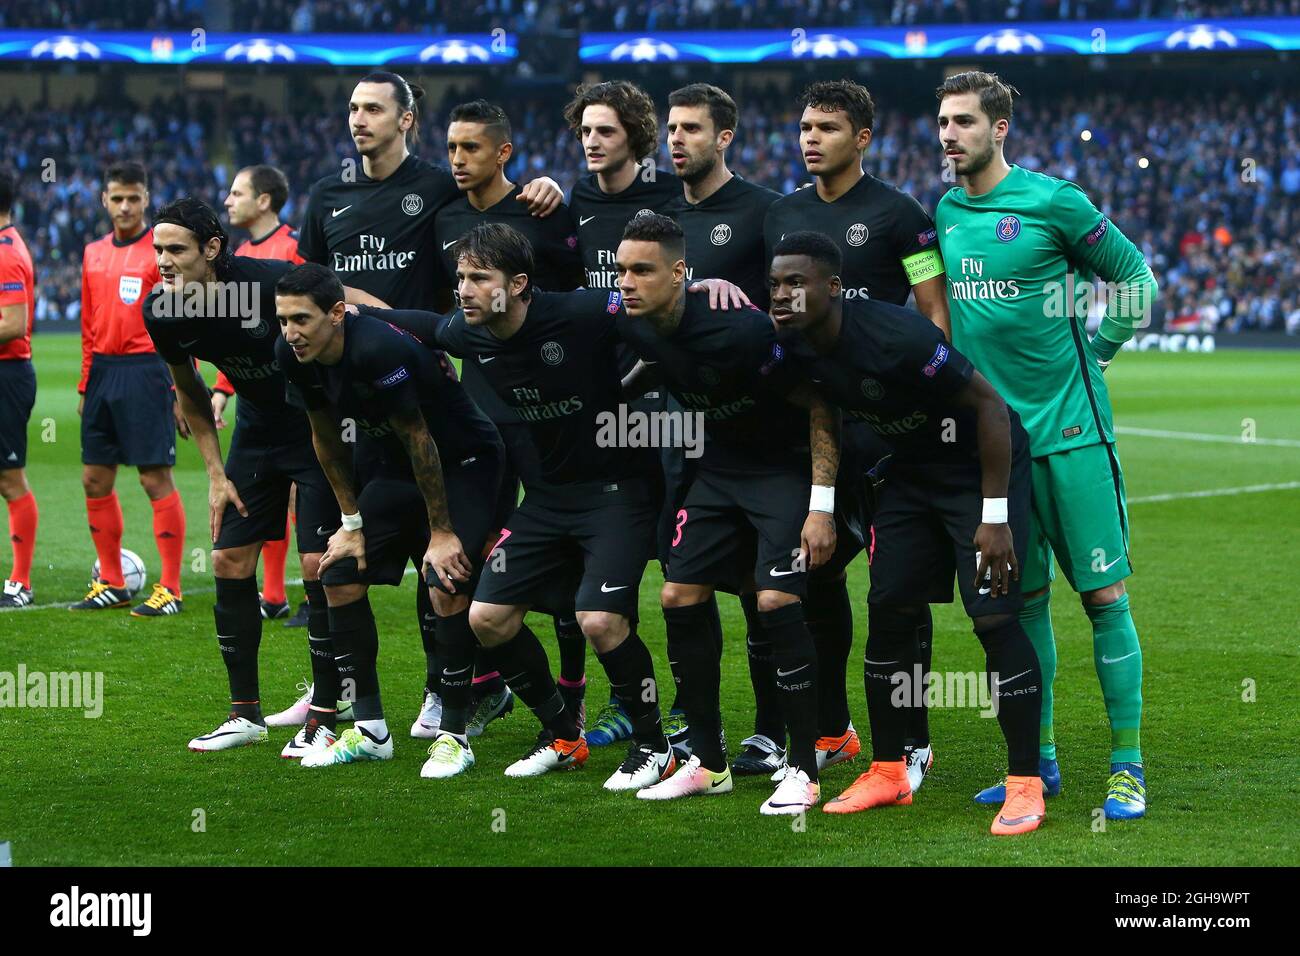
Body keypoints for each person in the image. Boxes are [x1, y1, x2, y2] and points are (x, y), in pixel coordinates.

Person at [296, 71, 562, 742]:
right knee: (340, 552)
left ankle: (452, 691)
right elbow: (308, 284)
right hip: (353, 398)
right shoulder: (327, 195)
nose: (358, 119)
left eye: (373, 108)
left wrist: (545, 185)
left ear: (405, 119)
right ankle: (334, 702)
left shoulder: (441, 188)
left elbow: (494, 203)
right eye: (352, 107)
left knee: (441, 560)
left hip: (431, 392)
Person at [769, 231, 1045, 835]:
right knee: (890, 611)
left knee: (995, 618)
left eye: (796, 283)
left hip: (976, 467)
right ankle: (890, 771)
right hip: (910, 473)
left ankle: (1025, 783)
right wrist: (819, 503)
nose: (783, 295)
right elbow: (823, 412)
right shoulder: (793, 343)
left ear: (833, 287)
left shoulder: (897, 334)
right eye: (775, 285)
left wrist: (994, 517)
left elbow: (991, 408)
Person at [935, 70, 1158, 820]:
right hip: (999, 450)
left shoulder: (1053, 201)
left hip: (1071, 436)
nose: (948, 134)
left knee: (1102, 596)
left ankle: (1127, 765)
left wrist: (1100, 349)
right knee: (1020, 607)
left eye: (963, 121)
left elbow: (1134, 277)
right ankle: (1041, 762)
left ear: (999, 129)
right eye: (942, 121)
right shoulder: (945, 212)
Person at [761, 79, 952, 790]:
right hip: (814, 428)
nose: (811, 138)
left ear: (862, 138)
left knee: (899, 585)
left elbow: (934, 312)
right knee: (816, 573)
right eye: (805, 126)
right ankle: (834, 728)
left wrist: (921, 408)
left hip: (890, 433)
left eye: (828, 128)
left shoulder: (906, 218)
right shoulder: (781, 216)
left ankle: (914, 738)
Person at [617, 213, 840, 816]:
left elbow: (820, 402)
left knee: (774, 602)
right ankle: (709, 765)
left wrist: (821, 505)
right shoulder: (633, 322)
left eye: (643, 270)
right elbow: (650, 360)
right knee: (678, 596)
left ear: (680, 274)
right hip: (717, 471)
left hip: (782, 472)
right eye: (622, 270)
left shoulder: (742, 332)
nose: (627, 283)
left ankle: (802, 766)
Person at [141, 197, 353, 757]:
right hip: (258, 429)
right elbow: (188, 391)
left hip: (316, 425)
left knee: (318, 564)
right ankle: (245, 714)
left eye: (176, 249)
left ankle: (329, 710)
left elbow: (342, 302)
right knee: (228, 560)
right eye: (157, 248)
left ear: (212, 249)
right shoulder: (162, 310)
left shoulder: (266, 284)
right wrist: (215, 474)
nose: (163, 260)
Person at [275, 262, 504, 776]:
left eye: (301, 320)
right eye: (283, 320)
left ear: (337, 314)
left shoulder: (379, 349)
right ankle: (371, 730)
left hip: (464, 460)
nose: (290, 332)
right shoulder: (292, 356)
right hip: (393, 464)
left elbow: (420, 437)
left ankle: (454, 735)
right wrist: (351, 524)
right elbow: (325, 438)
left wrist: (441, 532)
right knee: (336, 573)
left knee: (446, 580)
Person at [433, 99, 586, 738]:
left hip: (548, 413)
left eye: (472, 148)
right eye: (451, 149)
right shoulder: (440, 214)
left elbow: (580, 295)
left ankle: (571, 696)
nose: (458, 160)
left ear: (504, 153)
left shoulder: (541, 211)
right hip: (477, 412)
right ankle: (471, 686)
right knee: (464, 549)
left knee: (562, 548)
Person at [73, 161, 188, 617]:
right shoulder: (92, 252)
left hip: (147, 371)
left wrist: (183, 390)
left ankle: (171, 588)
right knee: (94, 478)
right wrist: (85, 383)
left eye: (133, 198)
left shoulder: (161, 251)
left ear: (146, 199)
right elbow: (87, 322)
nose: (124, 206)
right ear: (105, 200)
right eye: (117, 198)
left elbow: (182, 324)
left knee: (152, 478)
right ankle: (112, 581)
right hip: (102, 371)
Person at [221, 163, 307, 625]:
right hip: (256, 394)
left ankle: (308, 593)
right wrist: (220, 389)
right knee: (270, 495)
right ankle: (273, 595)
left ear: (264, 200)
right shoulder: (236, 254)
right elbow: (232, 334)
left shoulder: (293, 247)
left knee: (301, 495)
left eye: (237, 193)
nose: (229, 201)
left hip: (298, 392)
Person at [0, 168, 38, 609]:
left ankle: (20, 582)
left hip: (7, 377)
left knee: (10, 479)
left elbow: (13, 324)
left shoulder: (8, 252)